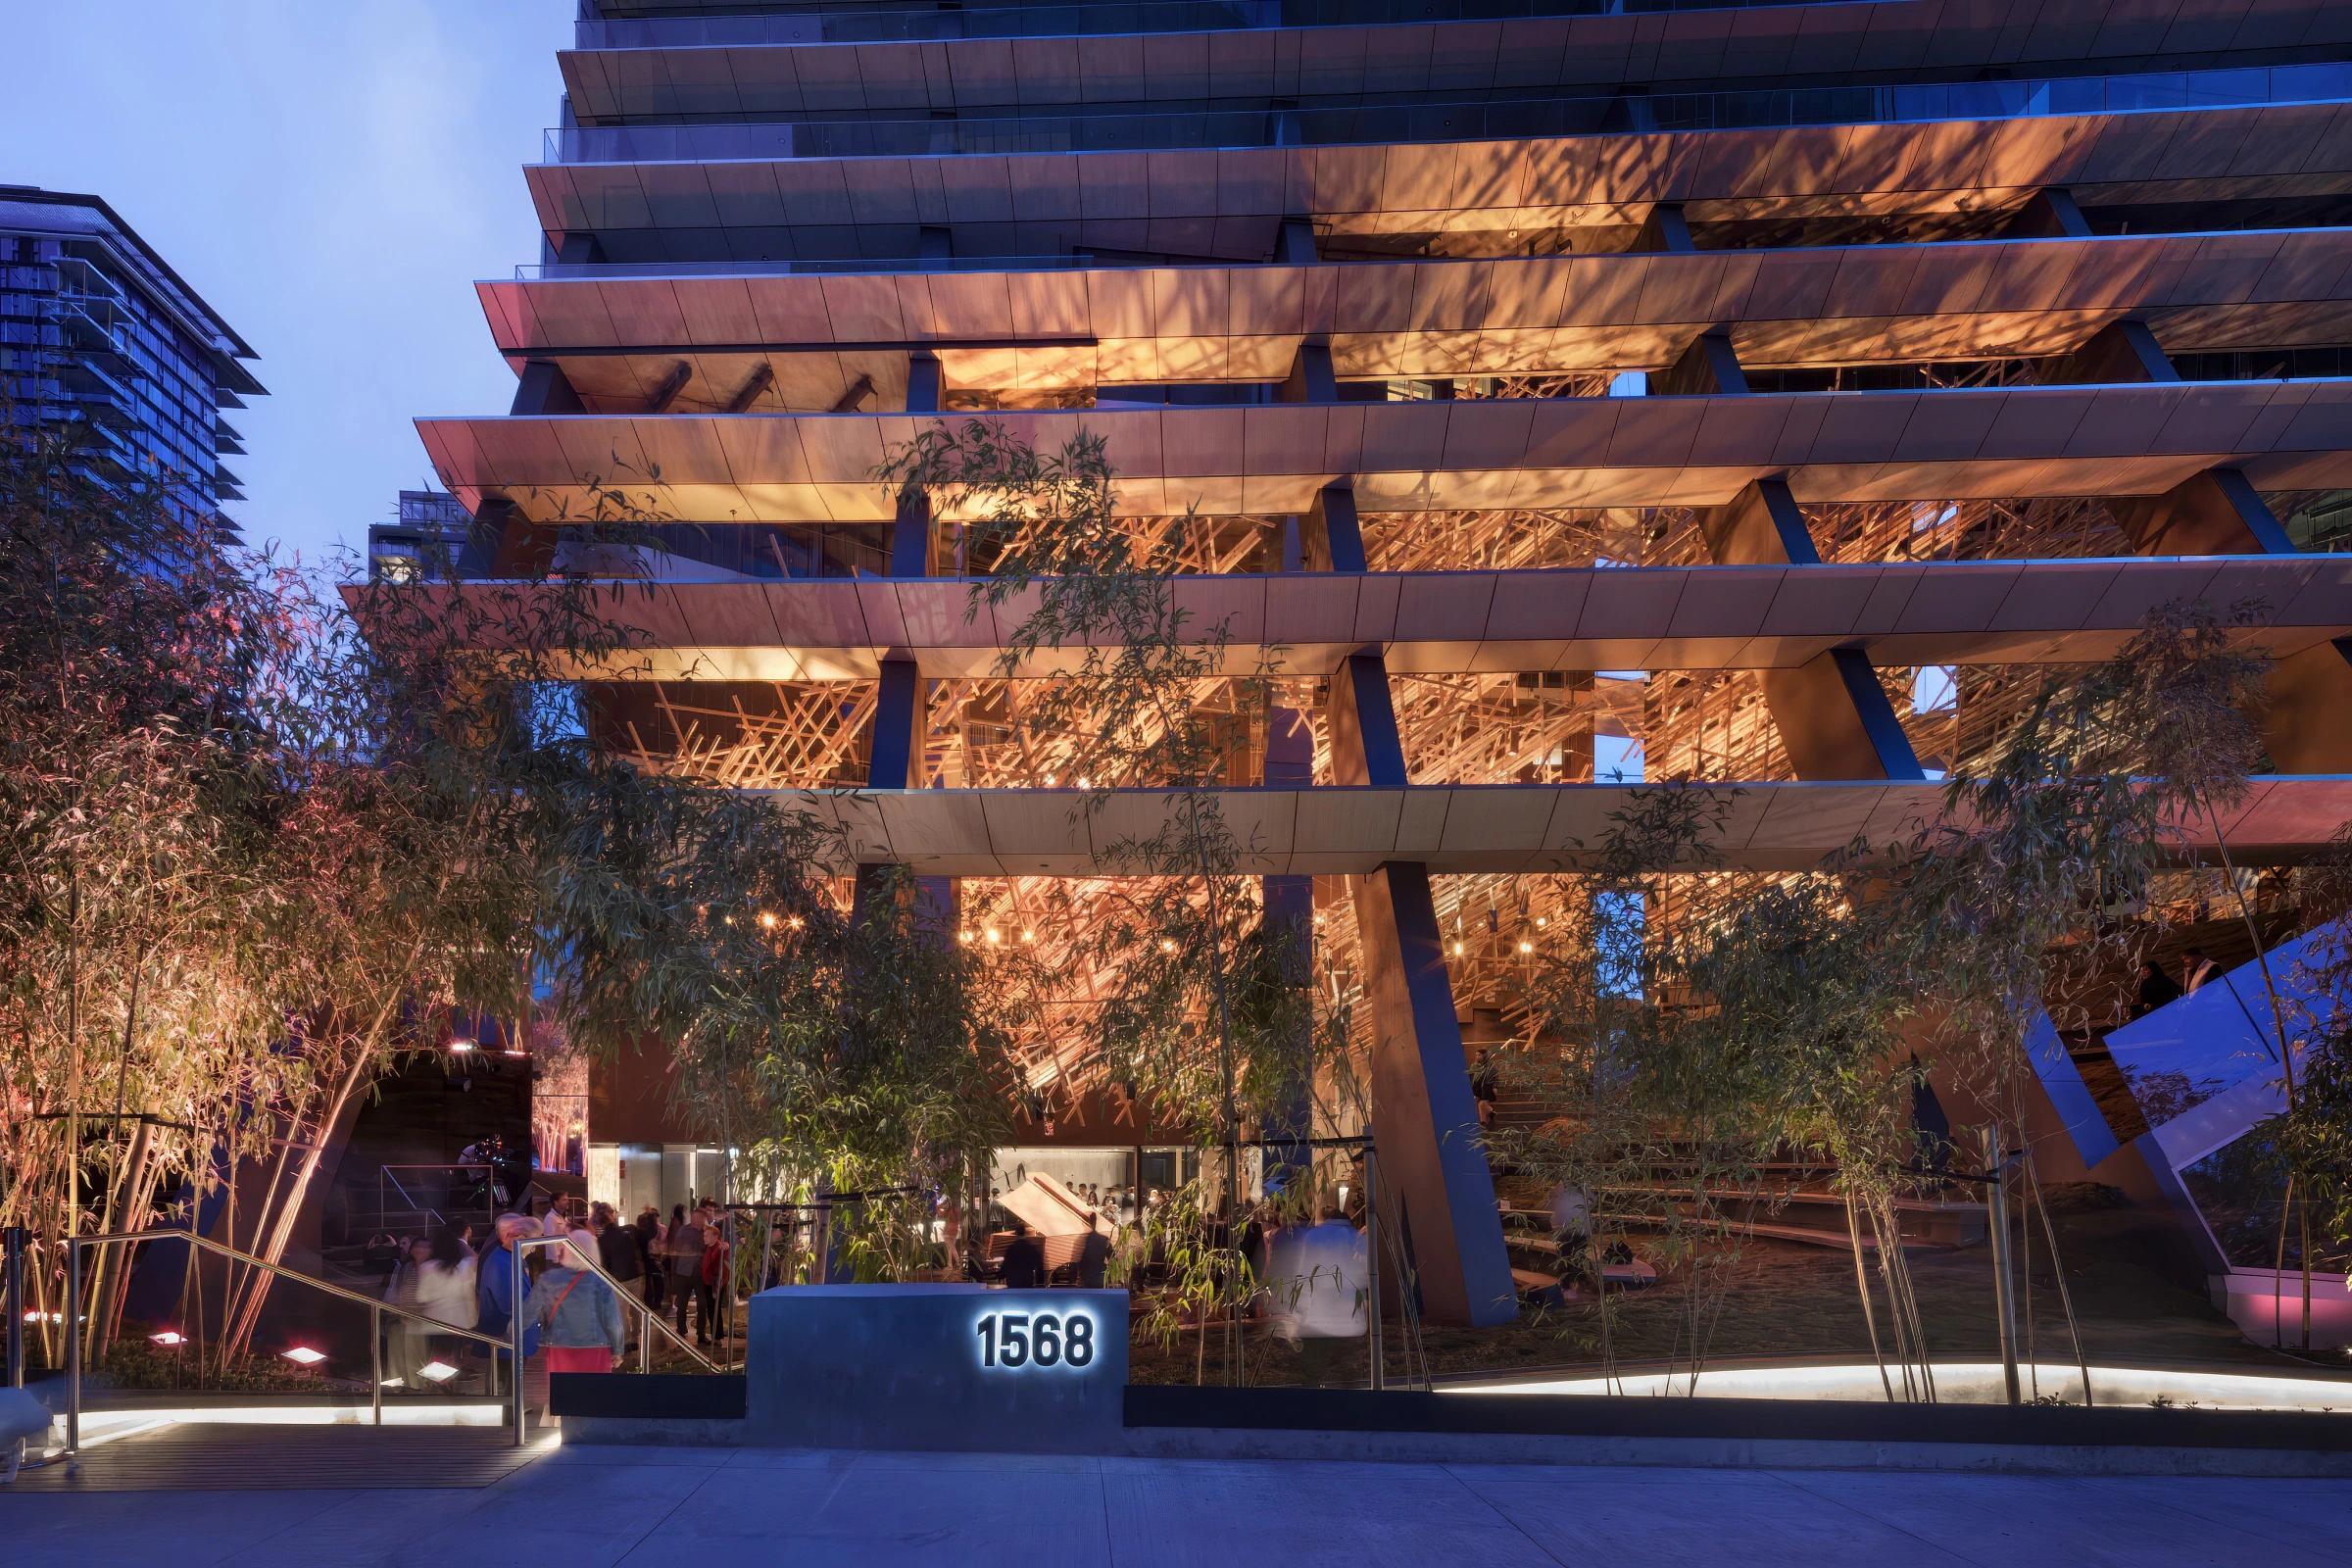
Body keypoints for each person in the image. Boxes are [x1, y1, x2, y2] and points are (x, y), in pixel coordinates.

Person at [518, 1229, 626, 1420]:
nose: (560, 1251)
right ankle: (593, 1433)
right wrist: (617, 1349)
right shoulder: (600, 1280)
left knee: (565, 1399)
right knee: (596, 1399)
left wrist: (509, 1335)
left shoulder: (548, 1279)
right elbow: (612, 1320)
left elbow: (527, 1313)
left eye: (563, 1247)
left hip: (560, 1347)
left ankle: (566, 1432)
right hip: (596, 1349)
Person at [1266, 1195, 1367, 1387]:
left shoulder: (1314, 1236)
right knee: (1348, 1375)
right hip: (1349, 1322)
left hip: (1318, 1320)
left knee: (1311, 1374)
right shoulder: (1355, 1237)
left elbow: (1305, 1276)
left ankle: (1313, 1402)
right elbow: (1362, 1276)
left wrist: (1298, 1311)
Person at [474, 1212, 540, 1387]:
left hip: (510, 1337)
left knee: (509, 1382)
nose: (534, 1248)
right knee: (505, 1384)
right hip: (505, 1337)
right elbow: (511, 1303)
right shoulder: (502, 1262)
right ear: (520, 1238)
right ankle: (506, 1406)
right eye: (534, 1242)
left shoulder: (509, 1258)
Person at [589, 1201, 643, 1350]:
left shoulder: (602, 1240)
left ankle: (626, 1340)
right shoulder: (626, 1234)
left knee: (622, 1312)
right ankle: (636, 1338)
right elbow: (634, 1254)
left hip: (618, 1280)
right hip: (634, 1276)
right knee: (636, 1310)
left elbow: (604, 1263)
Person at [667, 1201, 713, 1346]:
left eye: (698, 1218)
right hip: (683, 1271)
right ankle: (681, 1330)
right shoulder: (683, 1230)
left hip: (701, 1273)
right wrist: (674, 1273)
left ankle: (701, 1333)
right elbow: (676, 1250)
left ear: (703, 1219)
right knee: (681, 1304)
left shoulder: (709, 1232)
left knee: (702, 1305)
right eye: (693, 1217)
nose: (694, 1220)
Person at [999, 1218, 1047, 1289]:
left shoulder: (1011, 1248)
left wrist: (1000, 1275)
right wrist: (1040, 1283)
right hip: (1026, 1282)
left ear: (1016, 1234)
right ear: (1025, 1234)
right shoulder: (1030, 1248)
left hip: (1013, 1282)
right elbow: (1038, 1265)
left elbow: (1006, 1265)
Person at [1075, 1215, 1112, 1290]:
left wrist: (1075, 1278)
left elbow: (1075, 1261)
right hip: (1101, 1277)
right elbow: (1112, 1259)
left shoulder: (1081, 1240)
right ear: (1095, 1223)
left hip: (1085, 1278)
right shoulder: (1104, 1239)